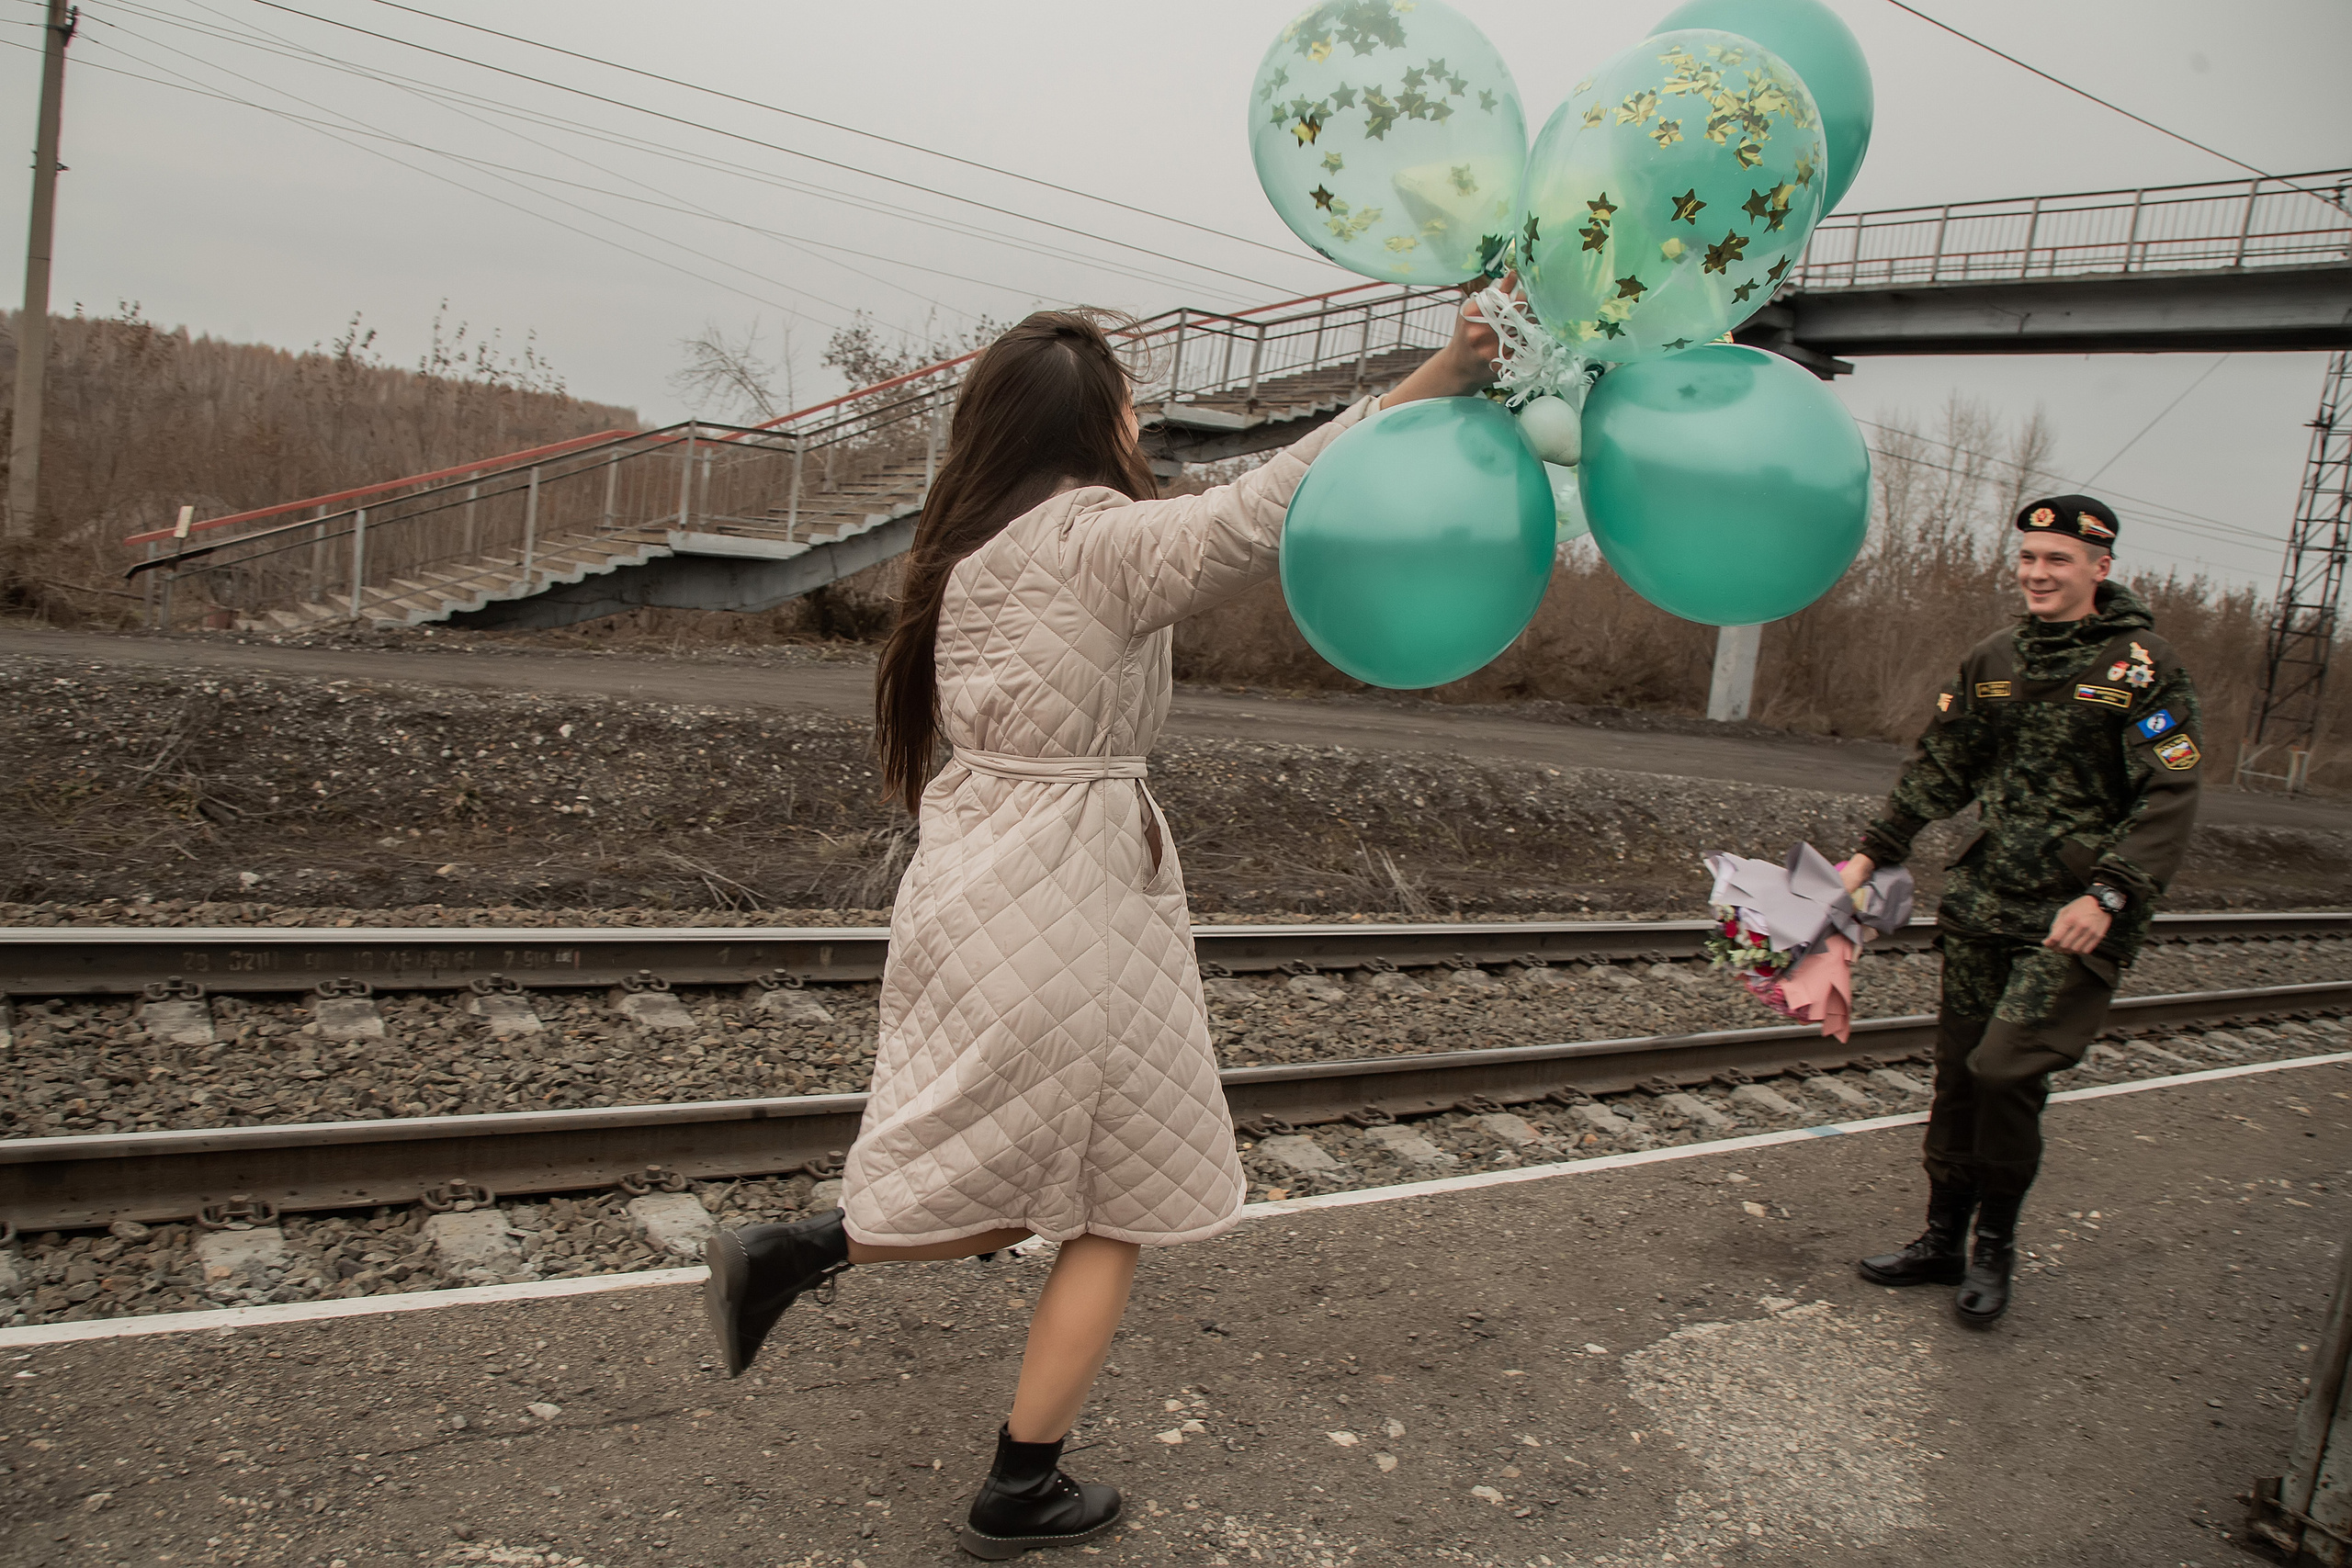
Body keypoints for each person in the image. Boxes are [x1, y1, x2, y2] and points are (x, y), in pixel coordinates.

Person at [701, 303, 1502, 1558]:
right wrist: (1436, 379)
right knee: (1118, 1191)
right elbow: (1266, 506)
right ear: (1094, 421)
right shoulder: (1099, 545)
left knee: (1045, 1167)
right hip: (1074, 894)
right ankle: (1000, 1461)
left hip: (974, 870)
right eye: (1126, 398)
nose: (1142, 416)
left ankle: (814, 1259)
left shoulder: (965, 551)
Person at [1842, 494, 2202, 1327]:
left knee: (2006, 1073)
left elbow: (2170, 792)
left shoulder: (2143, 666)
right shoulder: (1993, 658)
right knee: (1960, 1076)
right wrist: (1869, 854)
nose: (2039, 573)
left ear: (2099, 569)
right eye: (2030, 558)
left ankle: (1995, 1247)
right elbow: (1942, 767)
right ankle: (1941, 1240)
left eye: (2059, 561)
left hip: (2074, 914)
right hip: (1985, 903)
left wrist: (2108, 893)